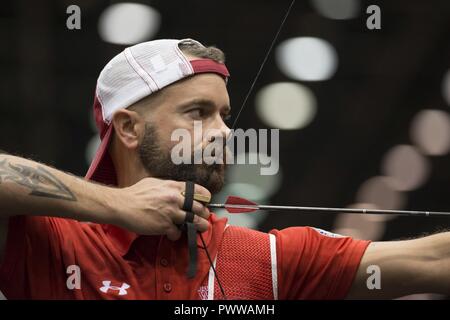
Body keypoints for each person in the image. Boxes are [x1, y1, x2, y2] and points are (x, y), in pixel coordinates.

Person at [0, 39, 448, 300]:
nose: (223, 133)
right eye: (197, 113)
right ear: (129, 128)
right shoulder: (52, 242)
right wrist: (119, 204)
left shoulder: (264, 261)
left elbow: (434, 261)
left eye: (224, 116)